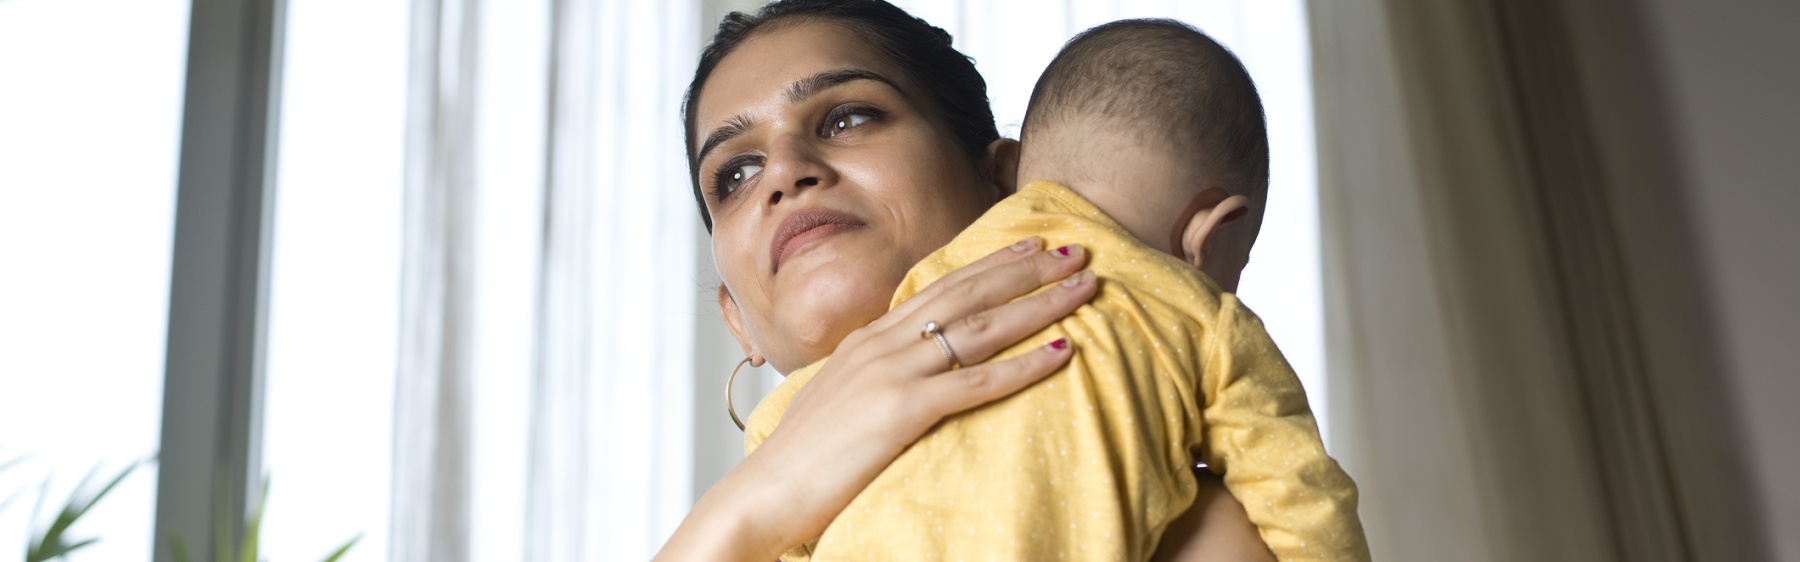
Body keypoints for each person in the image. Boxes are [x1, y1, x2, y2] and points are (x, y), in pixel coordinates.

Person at [735, 16, 1369, 562]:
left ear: (1002, 182)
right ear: (734, 320)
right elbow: (1306, 499)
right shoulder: (1196, 321)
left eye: (848, 117)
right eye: (734, 172)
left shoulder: (1207, 532)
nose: (784, 174)